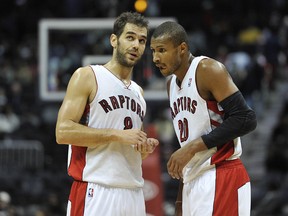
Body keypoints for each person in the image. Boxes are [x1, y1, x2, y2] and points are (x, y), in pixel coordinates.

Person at [55, 12, 159, 216]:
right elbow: (62, 131)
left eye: (141, 40)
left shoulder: (139, 92)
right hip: (97, 189)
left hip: (133, 192)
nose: (136, 45)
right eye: (130, 37)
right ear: (114, 40)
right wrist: (116, 134)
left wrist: (143, 148)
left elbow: (130, 145)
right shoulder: (87, 76)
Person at [150, 21, 257, 216]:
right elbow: (187, 146)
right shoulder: (171, 85)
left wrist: (191, 148)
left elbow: (246, 118)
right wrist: (181, 201)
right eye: (153, 51)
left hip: (221, 174)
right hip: (193, 180)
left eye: (162, 50)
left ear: (182, 48)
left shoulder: (207, 69)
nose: (156, 58)